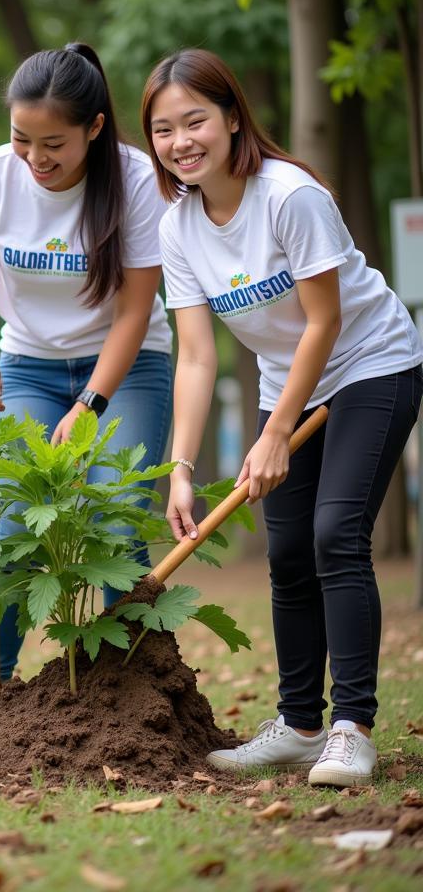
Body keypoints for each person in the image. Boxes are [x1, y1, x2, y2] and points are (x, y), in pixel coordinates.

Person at [143, 48, 423, 788]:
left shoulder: (289, 196)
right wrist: (181, 468)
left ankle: (351, 729)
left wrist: (273, 434)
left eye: (196, 120)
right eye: (164, 129)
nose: (181, 142)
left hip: (371, 363)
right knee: (287, 549)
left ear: (234, 119)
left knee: (336, 533)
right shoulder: (179, 228)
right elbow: (197, 357)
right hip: (286, 382)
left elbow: (325, 322)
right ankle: (300, 725)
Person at [0, 43, 173, 683]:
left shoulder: (136, 182)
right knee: (16, 527)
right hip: (29, 367)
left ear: (94, 128)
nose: (36, 159)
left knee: (114, 513)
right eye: (22, 139)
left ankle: (129, 694)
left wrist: (90, 404)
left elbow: (134, 312)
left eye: (54, 144)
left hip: (127, 367)